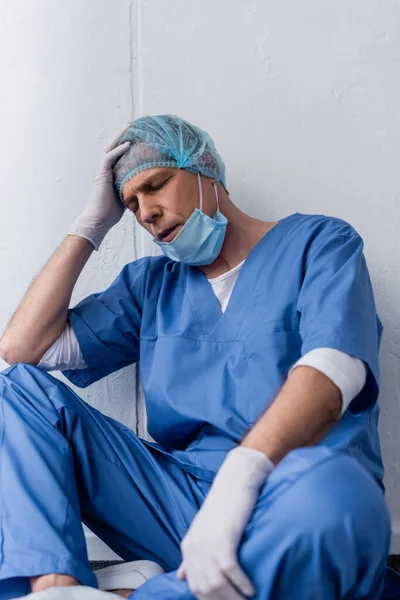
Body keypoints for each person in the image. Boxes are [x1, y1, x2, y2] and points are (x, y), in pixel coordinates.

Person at [0, 114, 398, 600]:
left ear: (206, 170)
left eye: (156, 185)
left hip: (293, 498)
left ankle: (143, 593)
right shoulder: (151, 286)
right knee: (16, 390)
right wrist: (91, 224)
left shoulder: (320, 244)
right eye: (131, 203)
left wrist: (242, 475)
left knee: (341, 496)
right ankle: (56, 589)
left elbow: (335, 368)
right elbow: (22, 351)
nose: (146, 212)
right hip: (184, 510)